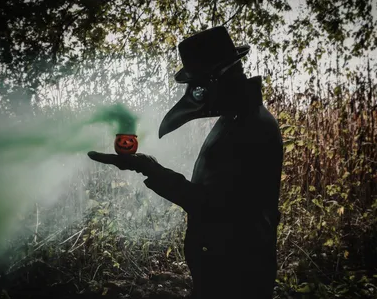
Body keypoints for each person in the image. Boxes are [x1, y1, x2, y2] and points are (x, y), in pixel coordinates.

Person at [87, 26, 283, 299]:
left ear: (216, 81)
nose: (195, 94)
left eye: (198, 86)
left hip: (237, 278)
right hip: (224, 271)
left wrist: (147, 167)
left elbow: (212, 205)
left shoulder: (252, 129)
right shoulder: (236, 120)